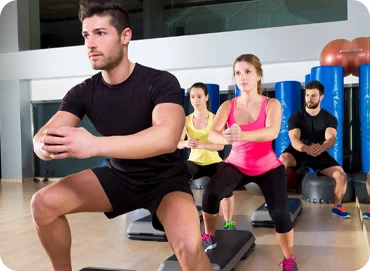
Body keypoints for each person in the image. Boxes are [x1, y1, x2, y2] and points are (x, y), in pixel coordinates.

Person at [30, 1, 212, 270]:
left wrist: (94, 145)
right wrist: (44, 146)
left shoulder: (160, 82)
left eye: (100, 33)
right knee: (42, 203)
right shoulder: (82, 92)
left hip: (165, 181)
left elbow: (165, 137)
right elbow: (41, 137)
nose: (90, 43)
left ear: (125, 36)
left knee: (188, 247)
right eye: (86, 35)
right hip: (119, 177)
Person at [201, 54, 298, 271]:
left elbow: (271, 132)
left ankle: (289, 258)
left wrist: (240, 134)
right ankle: (210, 235)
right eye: (237, 72)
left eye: (247, 72)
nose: (242, 77)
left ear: (259, 76)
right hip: (237, 162)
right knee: (210, 193)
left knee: (280, 213)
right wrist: (227, 137)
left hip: (268, 166)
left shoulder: (271, 103)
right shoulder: (228, 105)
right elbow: (212, 135)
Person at [279, 80, 350, 219]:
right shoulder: (296, 117)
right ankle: (277, 203)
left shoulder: (329, 118)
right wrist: (306, 148)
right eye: (307, 95)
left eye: (313, 96)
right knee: (281, 161)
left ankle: (337, 207)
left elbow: (331, 138)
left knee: (341, 176)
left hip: (319, 151)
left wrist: (322, 147)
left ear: (321, 97)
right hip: (299, 151)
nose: (309, 99)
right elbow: (294, 139)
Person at [178, 82, 236, 230]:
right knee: (178, 180)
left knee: (227, 185)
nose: (195, 100)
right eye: (192, 97)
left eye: (199, 96)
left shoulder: (215, 119)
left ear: (206, 97)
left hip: (213, 161)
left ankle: (229, 222)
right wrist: (186, 143)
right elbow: (178, 143)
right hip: (194, 162)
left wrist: (202, 145)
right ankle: (184, 219)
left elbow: (221, 145)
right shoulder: (186, 120)